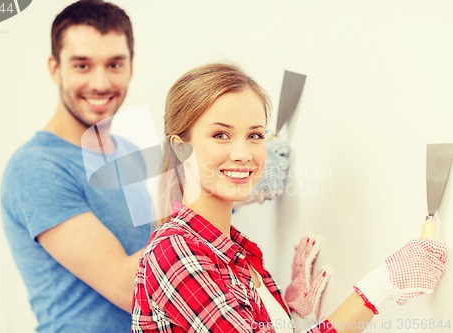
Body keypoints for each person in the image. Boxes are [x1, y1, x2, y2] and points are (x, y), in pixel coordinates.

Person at [131, 63, 447, 333]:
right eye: (220, 135)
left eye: (254, 135)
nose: (242, 154)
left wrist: (294, 317)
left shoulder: (240, 253)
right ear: (180, 146)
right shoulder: (174, 253)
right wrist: (382, 285)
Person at [0, 1, 151, 332]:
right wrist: (207, 189)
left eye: (114, 64)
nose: (100, 83)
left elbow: (167, 241)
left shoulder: (131, 152)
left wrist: (229, 182)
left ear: (131, 67)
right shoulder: (36, 168)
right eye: (82, 66)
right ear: (55, 69)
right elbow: (133, 289)